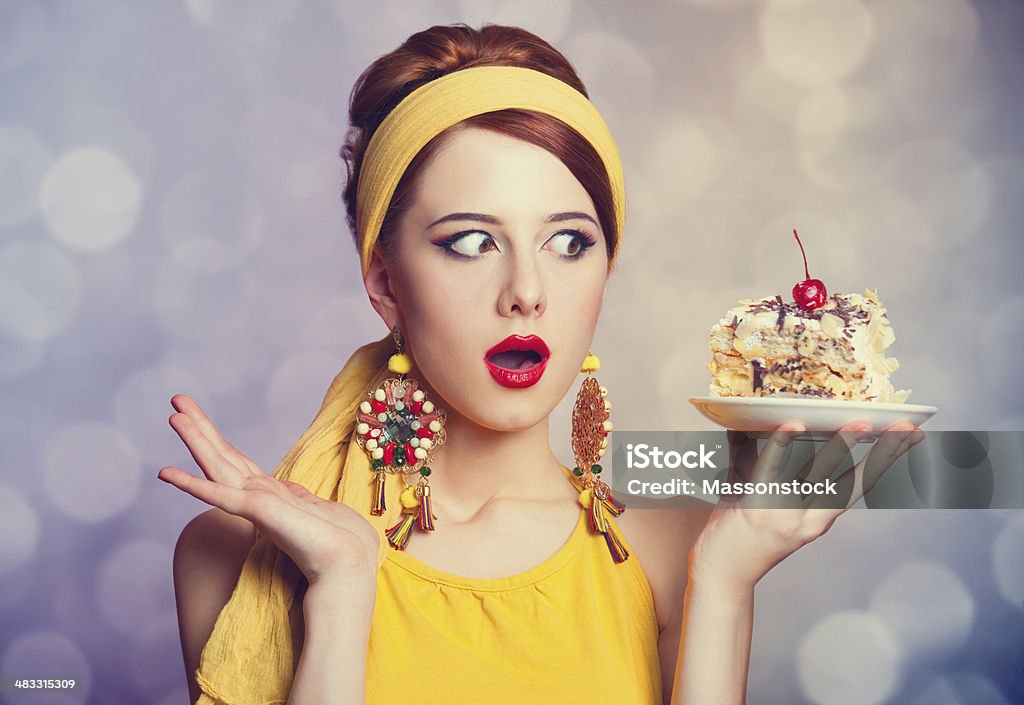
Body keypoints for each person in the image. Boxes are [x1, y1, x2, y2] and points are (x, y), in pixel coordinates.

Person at [159, 22, 925, 705]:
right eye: (470, 241)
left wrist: (725, 582)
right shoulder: (232, 555)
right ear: (386, 283)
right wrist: (342, 587)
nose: (527, 291)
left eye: (569, 242)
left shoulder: (676, 551)